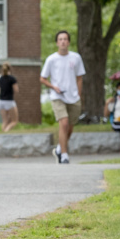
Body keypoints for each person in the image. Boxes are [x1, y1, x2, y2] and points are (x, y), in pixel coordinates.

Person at [40, 30, 86, 164]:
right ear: (57, 43)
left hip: (73, 97)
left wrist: (78, 94)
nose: (63, 42)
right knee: (64, 123)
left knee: (69, 127)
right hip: (57, 96)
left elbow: (79, 78)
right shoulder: (51, 59)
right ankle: (64, 155)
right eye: (60, 39)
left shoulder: (76, 58)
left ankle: (60, 148)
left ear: (69, 42)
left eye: (65, 39)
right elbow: (42, 78)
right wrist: (54, 87)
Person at [0, 63, 19, 132]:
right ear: (10, 69)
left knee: (5, 121)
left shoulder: (1, 78)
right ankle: (6, 131)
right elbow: (16, 90)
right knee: (14, 121)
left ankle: (3, 133)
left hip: (1, 101)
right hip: (9, 101)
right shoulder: (12, 79)